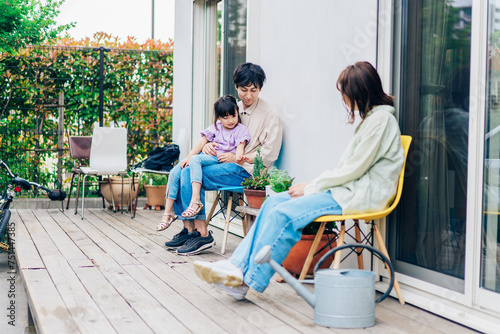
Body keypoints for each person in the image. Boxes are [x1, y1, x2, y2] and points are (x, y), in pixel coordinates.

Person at [192, 61, 405, 300]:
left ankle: (246, 278)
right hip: (345, 190)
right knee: (273, 203)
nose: (344, 99)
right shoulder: (372, 120)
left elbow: (354, 170)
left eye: (345, 93)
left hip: (359, 196)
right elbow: (351, 170)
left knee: (284, 213)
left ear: (359, 93)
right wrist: (312, 186)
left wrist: (311, 187)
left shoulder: (381, 122)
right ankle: (238, 268)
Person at [163, 63, 283, 255]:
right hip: (223, 163)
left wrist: (238, 157)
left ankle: (202, 235)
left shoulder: (270, 114)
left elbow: (270, 154)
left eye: (254, 90)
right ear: (236, 86)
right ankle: (189, 230)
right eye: (244, 90)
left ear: (260, 88)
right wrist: (209, 146)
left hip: (247, 170)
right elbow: (216, 133)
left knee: (190, 172)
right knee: (184, 169)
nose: (248, 95)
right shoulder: (233, 107)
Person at [156, 95, 251, 231]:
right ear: (219, 117)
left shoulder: (240, 129)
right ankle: (167, 213)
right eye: (225, 117)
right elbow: (201, 143)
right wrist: (187, 158)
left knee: (194, 160)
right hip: (206, 157)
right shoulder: (216, 127)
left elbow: (240, 150)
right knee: (175, 171)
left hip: (218, 160)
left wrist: (237, 157)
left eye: (233, 116)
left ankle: (196, 200)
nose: (230, 120)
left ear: (237, 113)